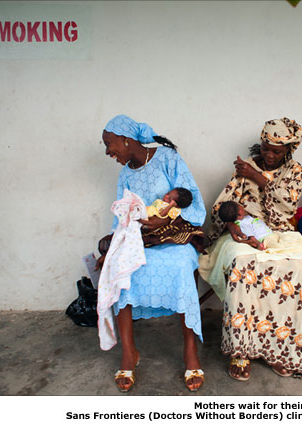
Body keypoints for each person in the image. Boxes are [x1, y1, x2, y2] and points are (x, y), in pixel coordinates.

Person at [199, 118, 302, 381]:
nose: (270, 155)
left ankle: (280, 347)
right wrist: (231, 225)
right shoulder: (246, 166)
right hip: (240, 228)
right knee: (244, 261)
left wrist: (256, 178)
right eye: (266, 148)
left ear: (289, 149)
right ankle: (241, 350)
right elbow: (223, 203)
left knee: (300, 263)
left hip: (280, 230)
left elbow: (288, 204)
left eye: (277, 150)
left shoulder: (294, 170)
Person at [98, 114, 206, 392]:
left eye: (109, 144)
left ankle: (190, 352)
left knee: (182, 267)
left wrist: (166, 220)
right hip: (139, 240)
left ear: (126, 139)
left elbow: (192, 200)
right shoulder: (125, 174)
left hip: (176, 237)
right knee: (121, 268)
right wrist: (115, 239)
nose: (108, 151)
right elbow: (121, 214)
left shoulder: (168, 158)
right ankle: (128, 354)